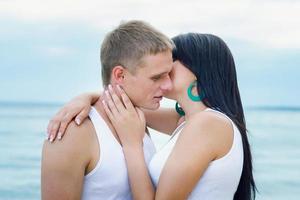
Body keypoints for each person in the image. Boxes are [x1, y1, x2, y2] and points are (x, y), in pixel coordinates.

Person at [48, 33, 256, 199]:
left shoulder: (207, 124)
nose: (165, 67)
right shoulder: (188, 120)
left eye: (173, 60)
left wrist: (132, 145)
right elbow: (122, 105)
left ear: (197, 70)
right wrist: (85, 98)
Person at [41, 20, 175, 200]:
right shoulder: (72, 133)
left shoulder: (135, 117)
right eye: (157, 77)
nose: (168, 85)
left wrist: (90, 96)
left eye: (168, 74)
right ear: (120, 75)